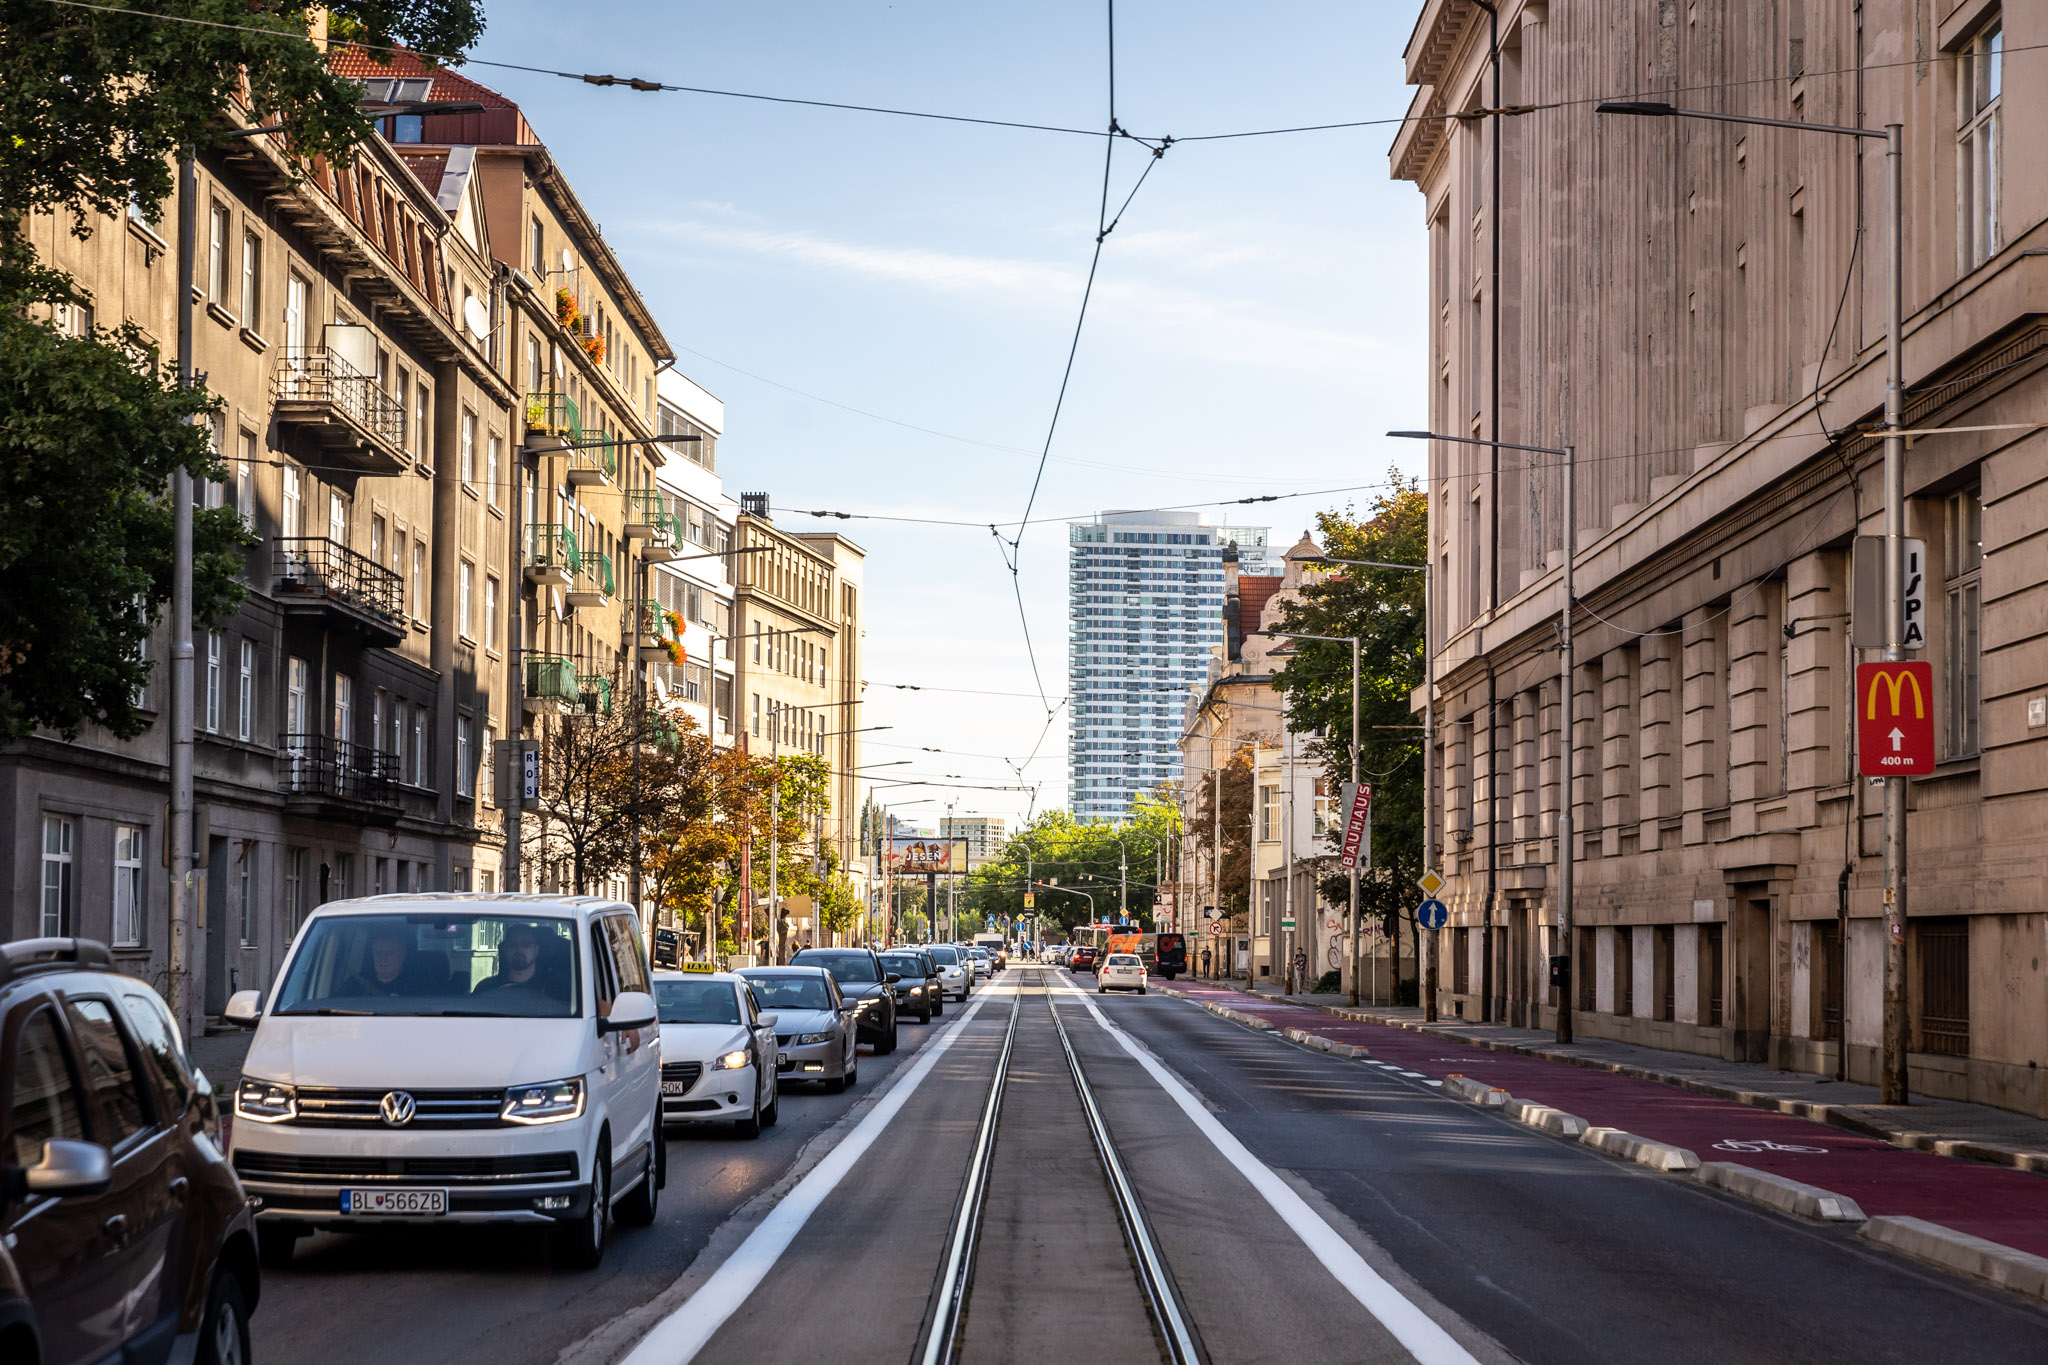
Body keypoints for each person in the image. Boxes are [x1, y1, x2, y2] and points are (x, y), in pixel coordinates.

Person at [474, 924, 547, 997]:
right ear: (505, 950)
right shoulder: (486, 988)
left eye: (526, 945)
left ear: (536, 950)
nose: (518, 950)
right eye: (512, 945)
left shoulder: (550, 989)